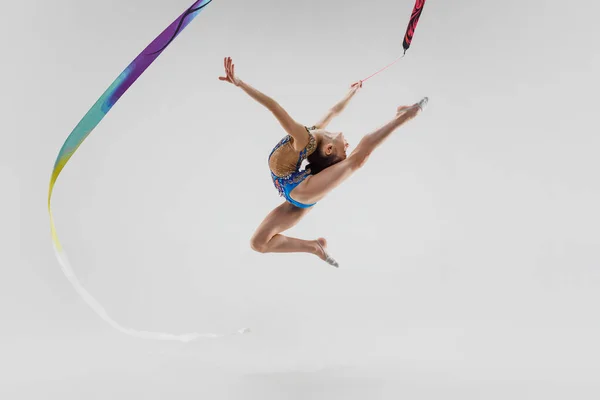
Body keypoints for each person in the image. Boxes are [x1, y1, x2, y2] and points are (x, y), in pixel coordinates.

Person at [219, 57, 427, 267]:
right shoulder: (314, 134)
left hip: (301, 190)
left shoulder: (303, 139)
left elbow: (274, 107)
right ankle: (314, 247)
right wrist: (351, 93)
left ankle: (406, 115)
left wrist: (241, 83)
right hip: (293, 190)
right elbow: (333, 111)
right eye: (346, 148)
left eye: (342, 151)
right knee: (258, 243)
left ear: (328, 150)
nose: (347, 146)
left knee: (357, 161)